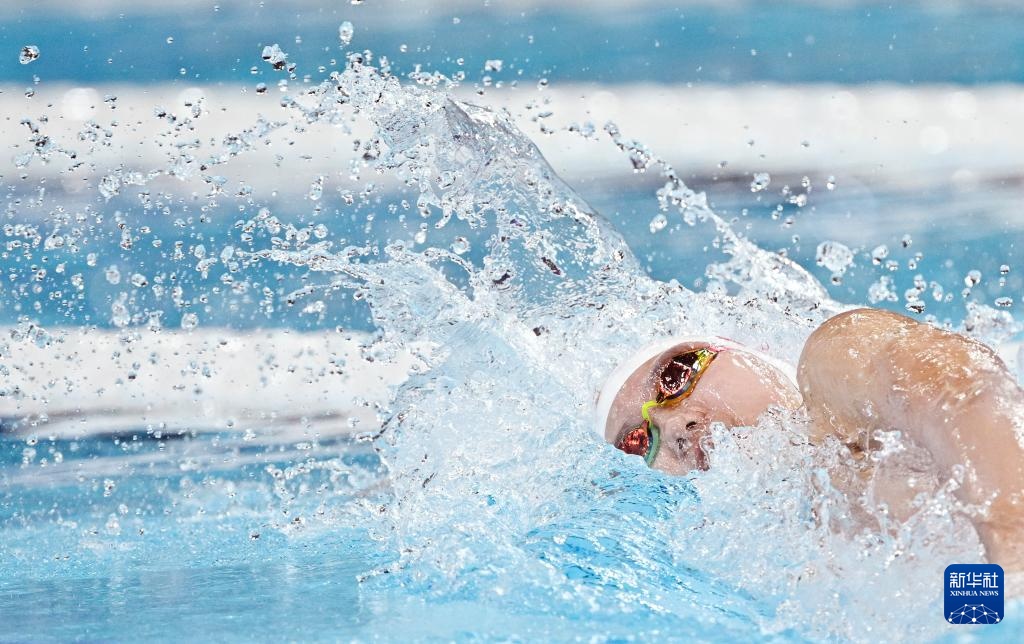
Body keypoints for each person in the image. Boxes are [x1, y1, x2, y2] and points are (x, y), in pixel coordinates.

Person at [594, 307, 1024, 573]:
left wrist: (1011, 554)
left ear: (750, 351)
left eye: (677, 375)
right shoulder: (788, 565)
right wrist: (982, 609)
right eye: (636, 440)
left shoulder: (833, 360)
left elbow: (957, 387)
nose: (671, 428)